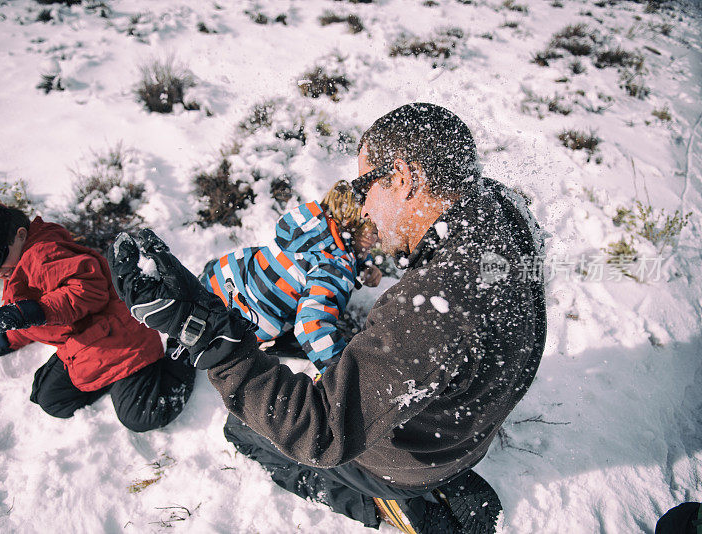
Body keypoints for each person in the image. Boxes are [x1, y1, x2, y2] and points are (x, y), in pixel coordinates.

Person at [107, 102, 547, 532]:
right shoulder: (502, 211)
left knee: (243, 429)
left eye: (365, 186)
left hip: (412, 459)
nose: (363, 206)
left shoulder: (432, 310)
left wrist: (209, 337)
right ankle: (434, 469)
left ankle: (386, 503)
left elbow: (320, 431)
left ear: (402, 178)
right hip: (468, 427)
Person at [0, 200, 195, 432]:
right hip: (87, 346)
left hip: (125, 342)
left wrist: (35, 311)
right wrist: (8, 338)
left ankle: (181, 349)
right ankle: (113, 381)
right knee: (49, 399)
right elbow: (29, 317)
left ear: (20, 235)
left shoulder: (44, 254)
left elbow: (88, 290)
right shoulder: (15, 268)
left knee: (144, 415)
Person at [200, 180, 381, 374]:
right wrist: (341, 373)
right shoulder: (334, 268)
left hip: (222, 273)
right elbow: (311, 325)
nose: (378, 238)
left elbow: (339, 246)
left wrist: (363, 265)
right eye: (374, 232)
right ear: (350, 226)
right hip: (244, 318)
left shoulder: (311, 223)